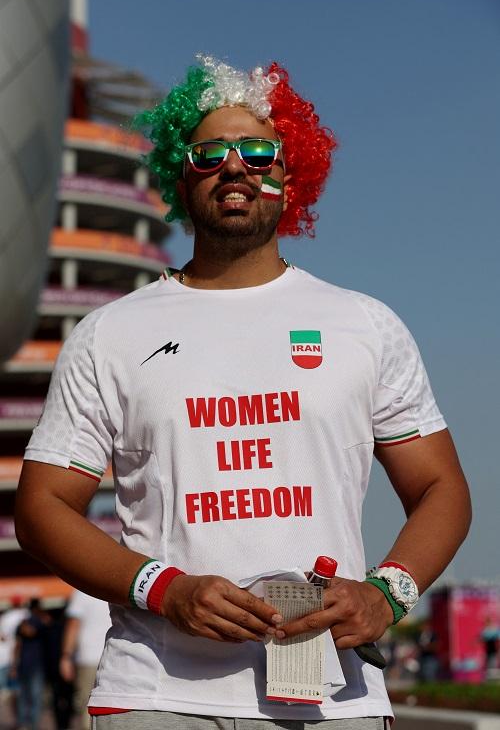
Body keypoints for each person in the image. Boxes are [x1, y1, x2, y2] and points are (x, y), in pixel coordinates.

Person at [15, 55, 471, 729]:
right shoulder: (110, 333)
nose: (235, 167)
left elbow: (441, 488)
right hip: (158, 695)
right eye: (209, 154)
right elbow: (41, 507)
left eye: (259, 152)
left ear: (291, 174)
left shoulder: (364, 324)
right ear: (180, 176)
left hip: (333, 699)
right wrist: (164, 590)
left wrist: (387, 594)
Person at [59, 590, 112, 729]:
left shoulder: (82, 592)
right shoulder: (112, 588)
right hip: (113, 656)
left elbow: (73, 625)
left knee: (87, 705)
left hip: (88, 657)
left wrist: (66, 656)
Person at [11, 598, 50, 730]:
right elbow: (19, 643)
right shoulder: (37, 621)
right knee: (29, 696)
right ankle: (27, 724)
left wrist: (14, 665)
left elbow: (24, 638)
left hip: (32, 665)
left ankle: (30, 725)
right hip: (29, 665)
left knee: (30, 696)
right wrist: (14, 665)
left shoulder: (35, 622)